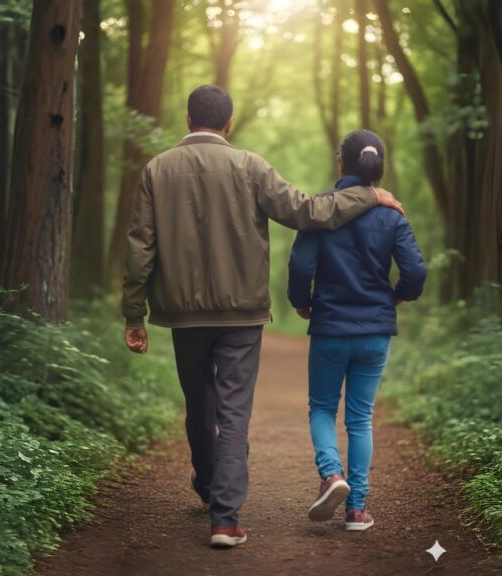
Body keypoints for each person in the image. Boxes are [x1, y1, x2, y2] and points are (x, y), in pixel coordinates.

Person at [121, 86, 405, 549]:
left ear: (188, 118)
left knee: (199, 405)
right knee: (233, 414)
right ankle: (225, 519)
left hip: (183, 314)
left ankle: (207, 483)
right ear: (229, 123)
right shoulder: (250, 167)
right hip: (242, 314)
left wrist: (134, 314)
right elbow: (308, 212)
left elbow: (140, 247)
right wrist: (369, 196)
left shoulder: (158, 169)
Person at [287, 129, 426, 532]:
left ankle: (332, 474)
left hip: (330, 326)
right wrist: (395, 298)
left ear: (340, 162)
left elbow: (300, 266)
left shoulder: (321, 211)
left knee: (322, 408)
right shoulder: (392, 214)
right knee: (361, 418)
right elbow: (415, 271)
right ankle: (357, 510)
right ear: (377, 166)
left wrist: (301, 301)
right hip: (375, 331)